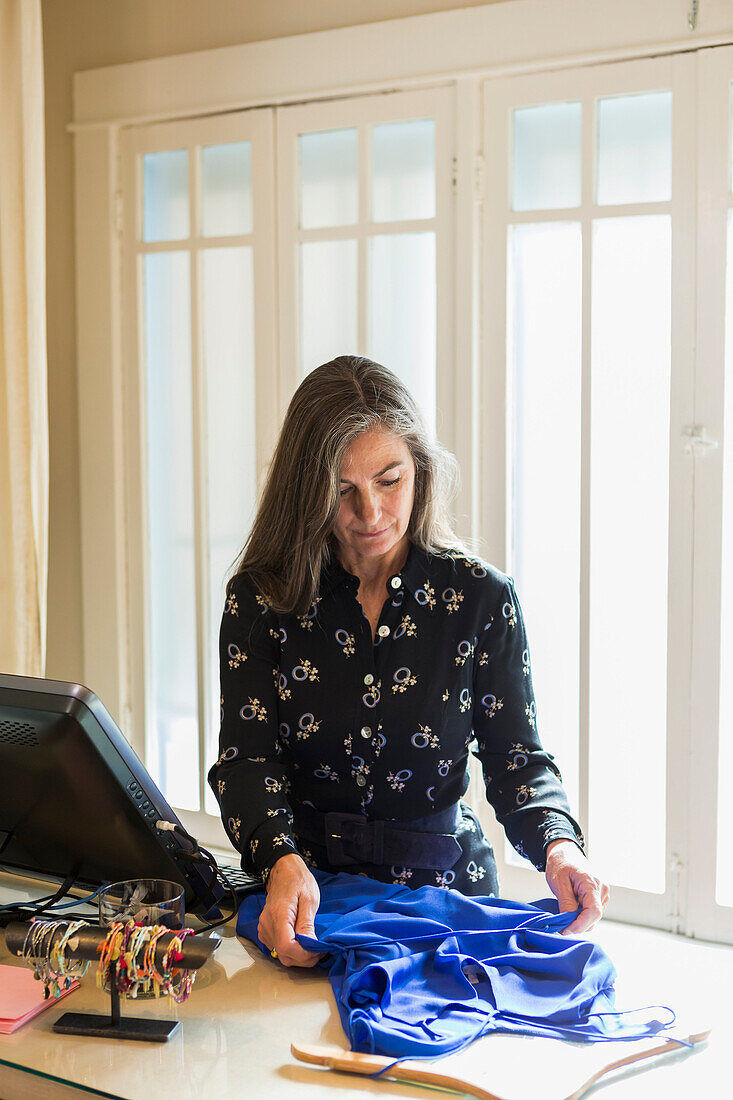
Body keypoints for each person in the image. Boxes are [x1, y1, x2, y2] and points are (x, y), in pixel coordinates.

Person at [208, 355, 610, 968]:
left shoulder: (481, 598)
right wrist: (281, 859)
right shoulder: (260, 601)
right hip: (309, 903)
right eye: (341, 492)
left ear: (419, 470)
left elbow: (516, 760)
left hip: (448, 900)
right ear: (305, 490)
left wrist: (561, 847)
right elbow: (248, 763)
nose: (370, 514)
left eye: (389, 480)